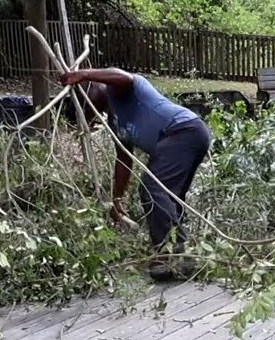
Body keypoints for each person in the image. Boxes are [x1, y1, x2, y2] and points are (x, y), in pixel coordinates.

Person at [59, 67, 212, 281]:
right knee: (169, 198)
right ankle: (175, 259)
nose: (89, 109)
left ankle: (177, 255)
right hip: (180, 138)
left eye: (87, 101)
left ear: (94, 87)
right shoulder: (115, 121)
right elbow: (123, 159)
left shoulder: (121, 90)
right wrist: (117, 199)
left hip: (183, 131)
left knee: (153, 188)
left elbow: (125, 77)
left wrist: (83, 74)